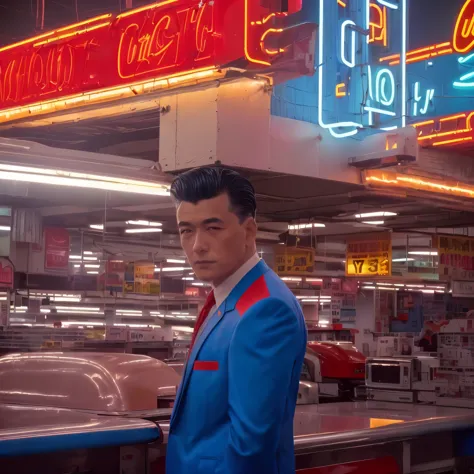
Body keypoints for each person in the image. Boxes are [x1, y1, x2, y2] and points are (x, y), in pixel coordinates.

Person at [166, 166, 307, 474]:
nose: (197, 245)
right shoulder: (228, 301)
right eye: (186, 230)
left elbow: (250, 446)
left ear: (249, 231)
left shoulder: (265, 310)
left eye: (213, 228)